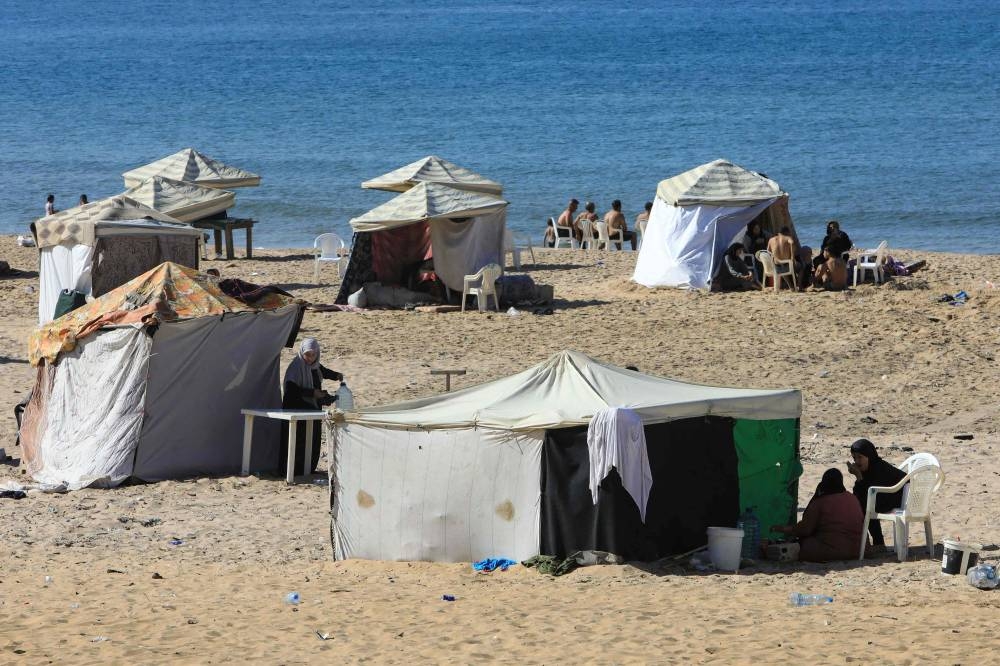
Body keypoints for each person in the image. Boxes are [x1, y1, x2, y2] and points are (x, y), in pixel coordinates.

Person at [771, 468, 864, 561]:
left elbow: (805, 529)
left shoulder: (821, 502)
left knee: (804, 544)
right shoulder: (852, 498)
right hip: (860, 549)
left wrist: (783, 529)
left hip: (834, 550)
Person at [280, 338, 343, 476]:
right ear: (302, 352)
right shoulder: (296, 368)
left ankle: (308, 469)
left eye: (313, 355)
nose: (310, 358)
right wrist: (312, 393)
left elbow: (324, 371)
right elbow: (291, 391)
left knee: (313, 441)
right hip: (296, 410)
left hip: (312, 410)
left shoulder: (315, 367)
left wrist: (336, 376)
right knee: (298, 442)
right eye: (307, 354)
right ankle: (294, 471)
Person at [848, 439, 906, 550]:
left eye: (860, 457)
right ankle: (874, 542)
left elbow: (868, 492)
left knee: (865, 504)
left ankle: (878, 542)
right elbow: (859, 493)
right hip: (887, 496)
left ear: (869, 456)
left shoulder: (879, 469)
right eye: (854, 458)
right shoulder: (869, 470)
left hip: (902, 498)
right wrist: (858, 476)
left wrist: (859, 477)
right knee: (861, 502)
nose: (857, 461)